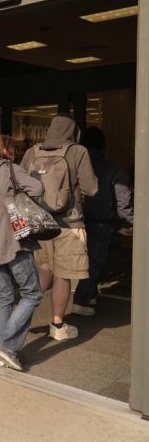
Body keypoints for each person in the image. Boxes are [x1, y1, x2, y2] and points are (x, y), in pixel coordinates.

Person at [20, 115, 97, 341]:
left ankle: (20, 316)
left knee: (43, 270)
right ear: (74, 132)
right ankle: (58, 326)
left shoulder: (33, 152)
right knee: (63, 276)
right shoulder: (78, 151)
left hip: (41, 223)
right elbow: (90, 188)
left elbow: (21, 184)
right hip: (69, 224)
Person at [0, 134, 43, 371]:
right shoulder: (11, 170)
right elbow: (38, 188)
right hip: (13, 242)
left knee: (3, 296)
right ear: (8, 151)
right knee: (32, 294)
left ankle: (3, 353)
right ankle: (4, 344)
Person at [72, 127, 134, 315]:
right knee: (94, 261)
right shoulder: (112, 168)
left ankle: (89, 294)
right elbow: (123, 199)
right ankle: (81, 301)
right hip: (101, 222)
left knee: (85, 260)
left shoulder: (74, 166)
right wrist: (128, 221)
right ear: (103, 146)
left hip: (76, 220)